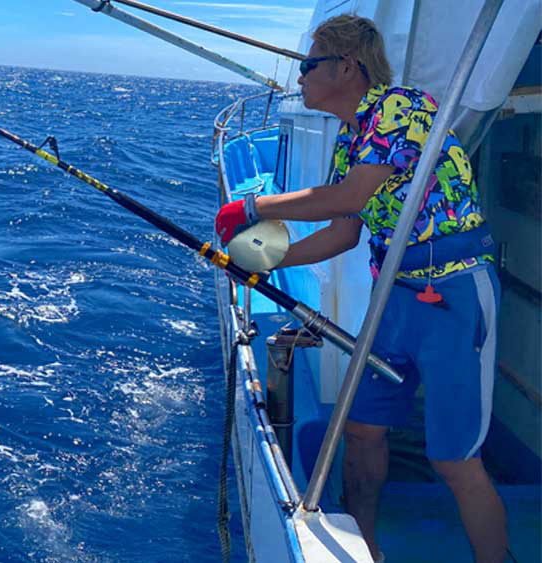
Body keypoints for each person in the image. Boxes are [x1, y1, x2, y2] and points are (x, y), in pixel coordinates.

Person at [214, 14, 508, 563]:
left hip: (455, 294)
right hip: (394, 296)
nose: (299, 78)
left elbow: (347, 199)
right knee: (363, 433)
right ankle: (366, 548)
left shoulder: (402, 107)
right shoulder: (352, 137)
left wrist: (251, 206)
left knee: (456, 461)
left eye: (309, 64)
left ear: (347, 66)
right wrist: (262, 262)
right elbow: (346, 232)